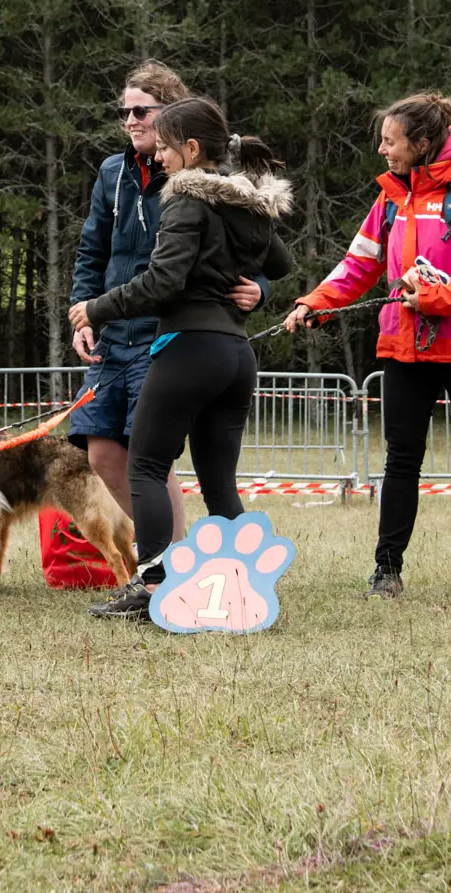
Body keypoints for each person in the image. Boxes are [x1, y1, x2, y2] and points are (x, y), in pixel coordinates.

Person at [284, 92, 451, 598]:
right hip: (403, 346)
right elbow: (359, 263)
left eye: (390, 141)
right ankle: (386, 572)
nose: (381, 150)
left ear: (421, 143)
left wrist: (434, 297)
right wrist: (315, 302)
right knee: (401, 459)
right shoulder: (391, 197)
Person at [69, 97, 294, 621]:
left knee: (145, 464)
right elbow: (280, 263)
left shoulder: (185, 198)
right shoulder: (246, 200)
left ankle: (152, 586)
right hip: (235, 356)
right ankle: (246, 590)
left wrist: (95, 309)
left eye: (168, 149)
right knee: (219, 484)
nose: (162, 159)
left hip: (189, 348)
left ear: (191, 150)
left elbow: (161, 281)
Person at [68, 62, 268, 535]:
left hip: (167, 332)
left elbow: (253, 248)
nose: (131, 120)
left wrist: (261, 289)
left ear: (172, 118)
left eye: (142, 111)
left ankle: (170, 566)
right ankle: (176, 557)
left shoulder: (201, 177)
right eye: (125, 111)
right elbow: (92, 250)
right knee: (101, 451)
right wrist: (85, 313)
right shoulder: (112, 172)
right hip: (113, 334)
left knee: (149, 453)